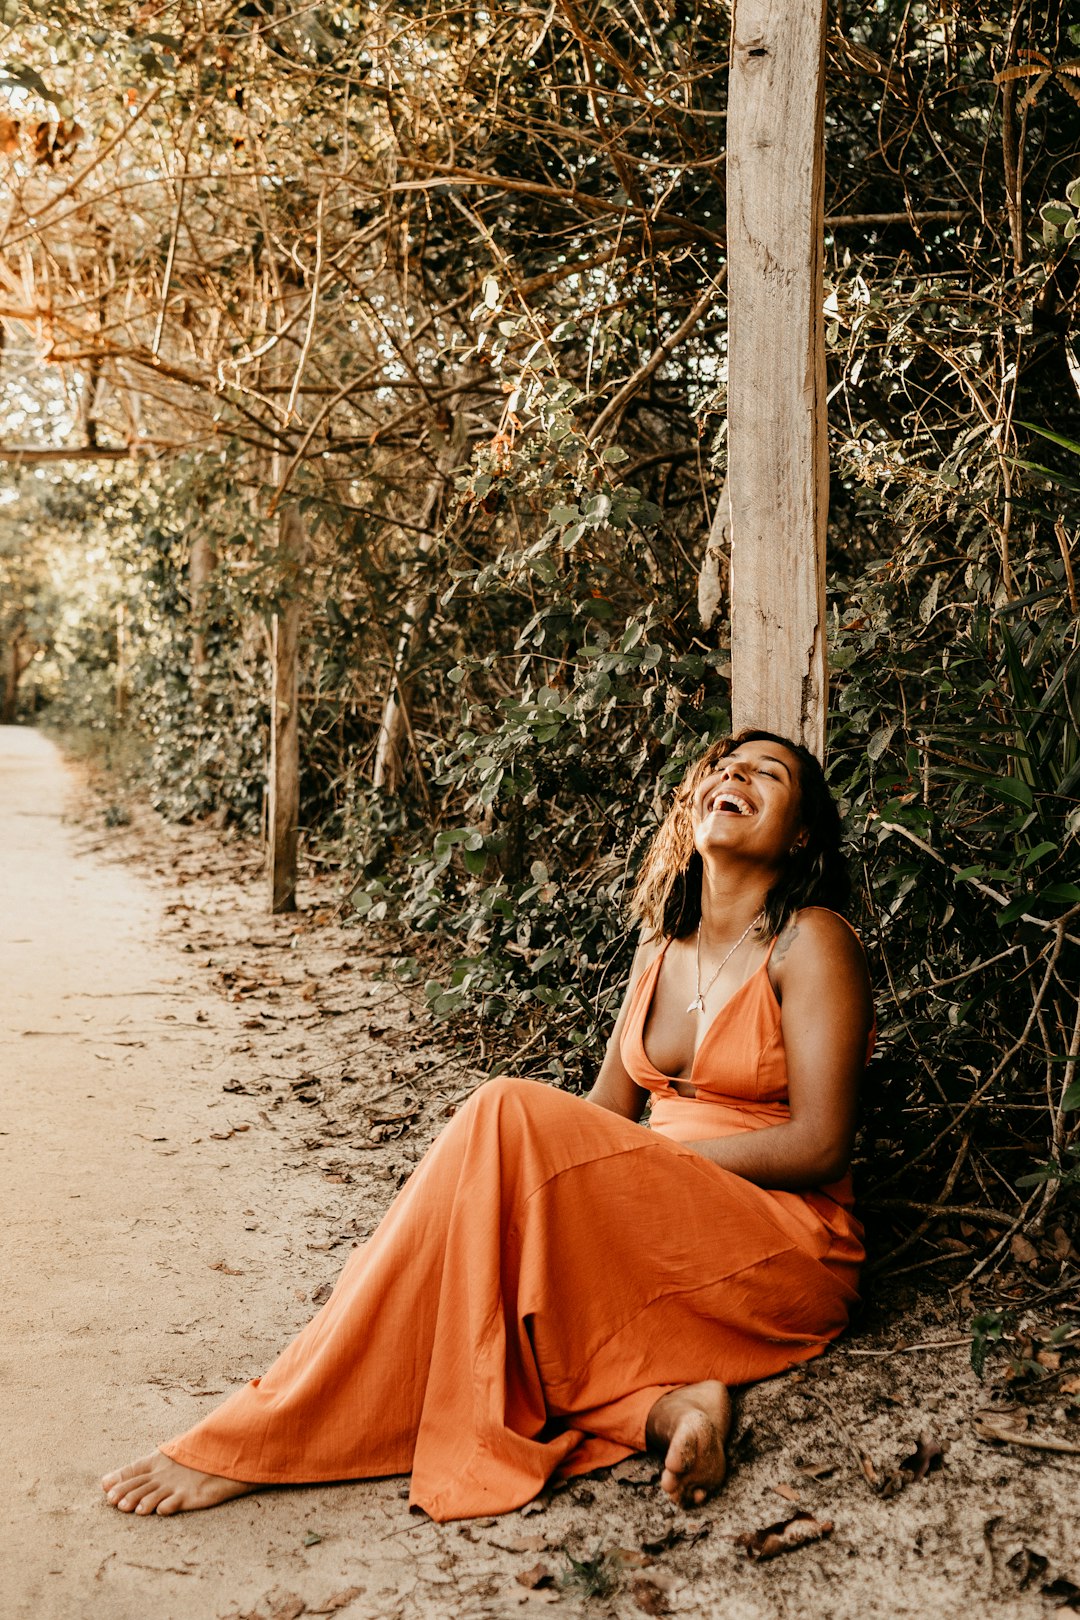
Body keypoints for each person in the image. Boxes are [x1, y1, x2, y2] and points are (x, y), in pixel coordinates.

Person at [102, 728, 873, 1522]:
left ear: (802, 833)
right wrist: (573, 1177)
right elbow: (604, 1118)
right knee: (484, 1240)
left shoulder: (811, 942)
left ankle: (272, 1429)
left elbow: (821, 1144)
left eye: (767, 773)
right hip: (666, 1221)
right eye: (722, 765)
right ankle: (677, 1410)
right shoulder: (660, 946)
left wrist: (658, 1159)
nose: (735, 773)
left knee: (504, 1116)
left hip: (784, 1241)